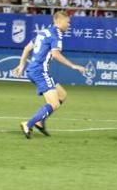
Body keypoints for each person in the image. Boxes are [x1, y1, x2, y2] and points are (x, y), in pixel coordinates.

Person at [11, 10, 86, 138]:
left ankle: (40, 122)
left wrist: (22, 64)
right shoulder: (56, 34)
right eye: (67, 22)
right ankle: (28, 124)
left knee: (62, 94)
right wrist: (73, 66)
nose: (69, 25)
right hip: (40, 71)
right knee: (54, 103)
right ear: (59, 21)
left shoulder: (44, 31)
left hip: (34, 70)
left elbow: (27, 48)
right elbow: (56, 54)